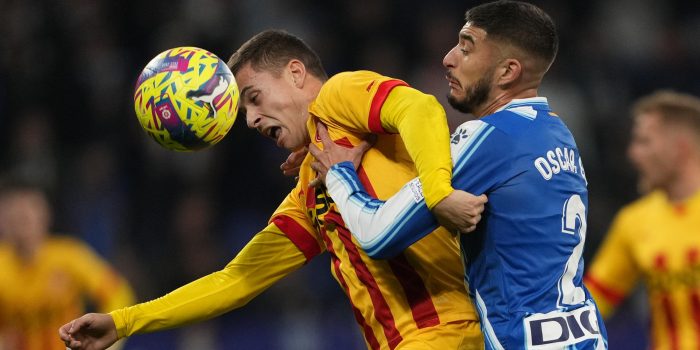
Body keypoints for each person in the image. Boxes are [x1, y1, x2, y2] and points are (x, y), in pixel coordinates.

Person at [60, 30, 487, 349]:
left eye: (254, 97)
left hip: (449, 331)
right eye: (244, 108)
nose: (249, 119)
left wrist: (438, 192)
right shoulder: (310, 191)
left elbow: (419, 107)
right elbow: (237, 280)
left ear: (296, 74)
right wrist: (124, 321)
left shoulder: (338, 99)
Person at [308, 1, 609, 349]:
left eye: (466, 49)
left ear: (507, 72)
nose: (448, 58)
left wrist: (339, 174)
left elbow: (376, 235)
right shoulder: (558, 132)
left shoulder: (489, 138)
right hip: (585, 334)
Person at [584, 90, 700, 350]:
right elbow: (590, 306)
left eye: (644, 141)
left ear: (680, 149)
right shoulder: (634, 222)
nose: (633, 154)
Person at [0, 179, 135, 350]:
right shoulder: (2, 264)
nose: (23, 219)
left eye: (29, 212)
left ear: (45, 215)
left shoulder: (69, 257)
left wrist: (109, 339)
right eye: (17, 215)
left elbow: (118, 293)